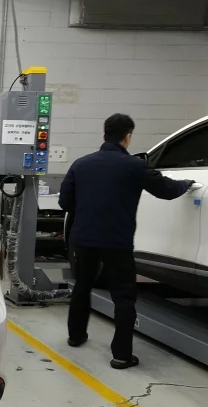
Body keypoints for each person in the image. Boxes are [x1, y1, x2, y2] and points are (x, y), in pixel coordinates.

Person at [59, 114, 195, 369]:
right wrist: (186, 184)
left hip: (84, 239)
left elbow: (64, 202)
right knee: (123, 297)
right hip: (117, 241)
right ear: (128, 137)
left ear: (104, 135)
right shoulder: (134, 166)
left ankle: (75, 336)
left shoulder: (81, 164)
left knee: (82, 287)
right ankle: (121, 355)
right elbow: (166, 190)